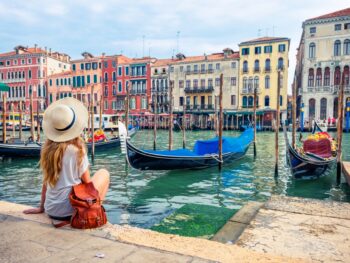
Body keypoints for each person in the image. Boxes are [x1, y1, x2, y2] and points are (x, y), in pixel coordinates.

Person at [23, 97, 110, 221]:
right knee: (104, 173)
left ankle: (90, 212)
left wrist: (41, 207)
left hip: (51, 210)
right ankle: (91, 213)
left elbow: (45, 183)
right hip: (71, 211)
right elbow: (87, 184)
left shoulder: (47, 150)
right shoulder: (77, 150)